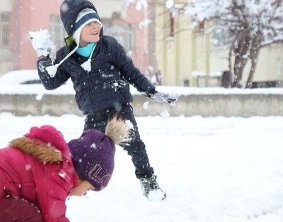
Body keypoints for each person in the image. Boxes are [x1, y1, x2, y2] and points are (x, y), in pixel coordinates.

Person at [30, 0, 178, 200]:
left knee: (136, 146)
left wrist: (152, 92)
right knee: (83, 156)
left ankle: (148, 183)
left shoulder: (109, 46)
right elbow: (50, 82)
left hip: (120, 111)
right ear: (75, 29)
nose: (96, 26)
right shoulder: (67, 56)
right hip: (94, 116)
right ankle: (75, 186)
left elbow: (132, 73)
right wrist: (42, 56)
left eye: (96, 22)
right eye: (89, 24)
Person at [0, 117, 129, 222]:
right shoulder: (59, 175)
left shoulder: (54, 163)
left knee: (24, 212)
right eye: (90, 188)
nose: (84, 194)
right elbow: (54, 217)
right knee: (30, 217)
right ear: (84, 173)